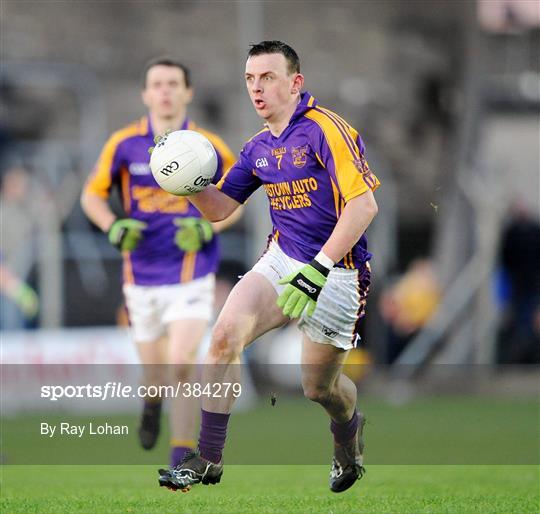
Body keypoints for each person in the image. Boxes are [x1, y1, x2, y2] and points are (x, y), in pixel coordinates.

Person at [158, 41, 380, 494]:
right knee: (222, 339)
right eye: (249, 79)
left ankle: (348, 436)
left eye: (268, 77)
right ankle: (208, 460)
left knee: (320, 390)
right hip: (283, 258)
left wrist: (318, 268)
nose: (256, 88)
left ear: (295, 83)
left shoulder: (325, 129)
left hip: (337, 273)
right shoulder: (258, 147)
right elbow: (220, 207)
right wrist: (187, 183)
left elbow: (364, 207)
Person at [81, 57, 237, 468]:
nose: (165, 91)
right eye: (157, 84)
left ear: (188, 92)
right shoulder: (123, 144)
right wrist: (113, 227)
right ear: (146, 94)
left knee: (183, 364)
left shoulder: (207, 146)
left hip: (192, 273)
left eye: (173, 83)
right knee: (157, 376)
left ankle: (179, 459)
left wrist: (209, 229)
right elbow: (91, 196)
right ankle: (151, 404)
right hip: (141, 276)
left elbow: (238, 199)